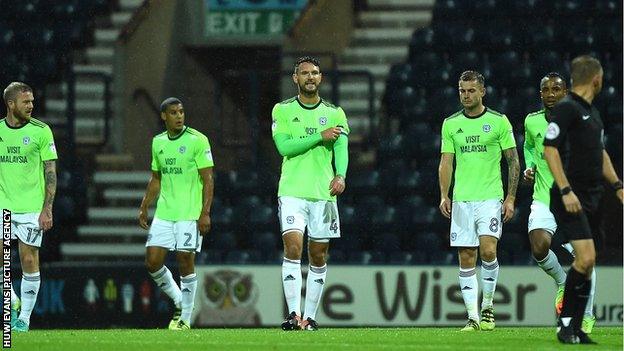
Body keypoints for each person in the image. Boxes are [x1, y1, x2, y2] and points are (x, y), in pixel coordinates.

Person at [543, 55, 623, 344]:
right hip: (571, 196)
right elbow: (549, 149)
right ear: (596, 79)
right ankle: (565, 323)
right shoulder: (566, 109)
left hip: (592, 196)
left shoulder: (593, 114)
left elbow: (600, 154)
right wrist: (565, 190)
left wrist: (617, 186)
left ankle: (577, 328)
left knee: (588, 262)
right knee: (585, 258)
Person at [439, 71, 520, 332]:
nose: (466, 95)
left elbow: (513, 161)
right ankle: (472, 318)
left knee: (487, 251)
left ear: (482, 92)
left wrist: (510, 198)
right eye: (462, 90)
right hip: (462, 199)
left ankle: (487, 306)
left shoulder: (498, 122)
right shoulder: (450, 123)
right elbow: (446, 162)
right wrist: (444, 194)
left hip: (489, 198)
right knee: (466, 255)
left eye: (471, 90)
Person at [272, 56, 349, 331]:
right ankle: (293, 314)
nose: (310, 77)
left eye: (315, 73)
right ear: (295, 78)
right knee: (292, 248)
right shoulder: (282, 110)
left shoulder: (335, 112)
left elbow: (341, 148)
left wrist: (340, 175)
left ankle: (310, 317)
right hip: (292, 191)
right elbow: (285, 147)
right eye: (304, 73)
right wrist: (319, 135)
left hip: (323, 193)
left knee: (318, 255)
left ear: (321, 78)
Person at [523, 72, 596, 333]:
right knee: (539, 246)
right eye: (546, 90)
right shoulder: (532, 121)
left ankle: (586, 315)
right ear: (540, 93)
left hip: (572, 199)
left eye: (557, 89)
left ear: (566, 92)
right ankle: (562, 282)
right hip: (543, 197)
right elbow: (530, 147)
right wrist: (529, 166)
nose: (551, 94)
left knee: (584, 257)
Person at [138, 97, 214, 330]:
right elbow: (156, 178)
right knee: (152, 263)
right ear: (164, 116)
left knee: (185, 260)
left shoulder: (198, 140)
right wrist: (144, 205)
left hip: (189, 213)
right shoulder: (158, 142)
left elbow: (208, 179)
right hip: (165, 212)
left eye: (181, 111)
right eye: (173, 112)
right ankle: (179, 299)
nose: (179, 116)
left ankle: (185, 318)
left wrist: (205, 213)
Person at [0, 82, 57, 332]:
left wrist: (48, 208)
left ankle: (24, 319)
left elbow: (51, 171)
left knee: (28, 259)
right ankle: (12, 301)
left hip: (31, 209)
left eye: (32, 101)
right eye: (26, 102)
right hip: (4, 206)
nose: (31, 105)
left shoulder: (41, 131)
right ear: (11, 104)